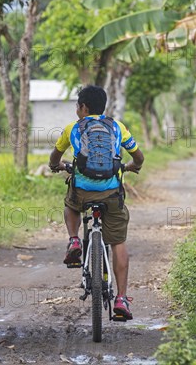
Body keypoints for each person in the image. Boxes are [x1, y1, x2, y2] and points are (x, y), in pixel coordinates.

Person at [48, 85, 144, 320]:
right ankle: (121, 299)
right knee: (118, 242)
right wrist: (133, 167)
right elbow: (138, 156)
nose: (76, 110)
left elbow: (55, 156)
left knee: (70, 204)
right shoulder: (117, 127)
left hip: (82, 192)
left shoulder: (73, 128)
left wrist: (55, 167)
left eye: (77, 106)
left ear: (83, 107)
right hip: (111, 193)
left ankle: (73, 241)